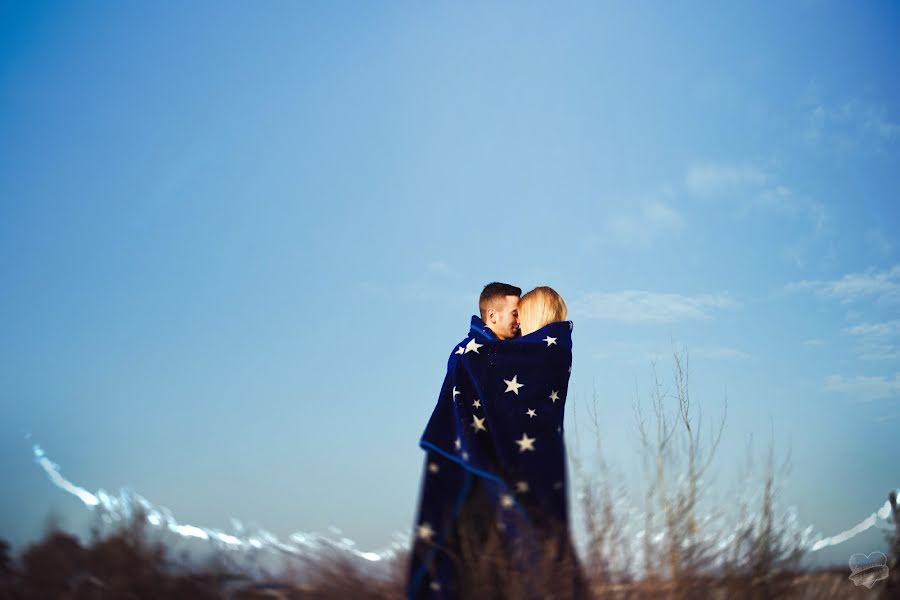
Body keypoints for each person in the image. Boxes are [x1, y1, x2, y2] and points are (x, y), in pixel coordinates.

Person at [406, 283, 591, 599]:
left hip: (521, 475)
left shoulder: (526, 355)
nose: (519, 322)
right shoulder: (470, 355)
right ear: (491, 314)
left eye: (523, 315)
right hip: (473, 471)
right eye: (514, 314)